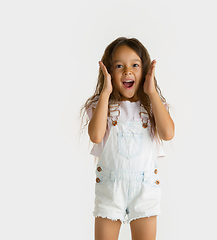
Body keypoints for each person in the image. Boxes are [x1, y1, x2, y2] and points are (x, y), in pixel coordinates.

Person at [81, 37, 175, 240]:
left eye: (135, 65)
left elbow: (167, 133)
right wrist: (105, 93)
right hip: (110, 189)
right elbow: (96, 136)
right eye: (119, 66)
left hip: (145, 189)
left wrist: (152, 93)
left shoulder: (151, 107)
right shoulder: (103, 106)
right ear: (108, 72)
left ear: (145, 70)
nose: (127, 71)